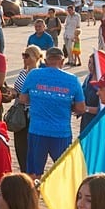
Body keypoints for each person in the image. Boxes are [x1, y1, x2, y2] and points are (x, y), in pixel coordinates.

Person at [19, 48, 85, 179]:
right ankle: (63, 199)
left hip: (37, 130)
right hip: (61, 133)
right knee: (64, 173)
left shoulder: (34, 75)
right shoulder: (72, 80)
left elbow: (23, 99)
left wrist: (39, 100)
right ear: (62, 61)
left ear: (45, 60)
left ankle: (33, 198)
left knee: (33, 173)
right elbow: (81, 108)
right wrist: (66, 105)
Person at [9, 46, 43, 172]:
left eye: (27, 55)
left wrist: (18, 95)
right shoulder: (23, 72)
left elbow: (34, 97)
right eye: (23, 55)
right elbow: (18, 90)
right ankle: (24, 171)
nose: (24, 58)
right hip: (19, 113)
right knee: (19, 147)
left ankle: (30, 173)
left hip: (30, 115)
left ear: (35, 57)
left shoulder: (39, 75)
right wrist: (12, 92)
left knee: (29, 148)